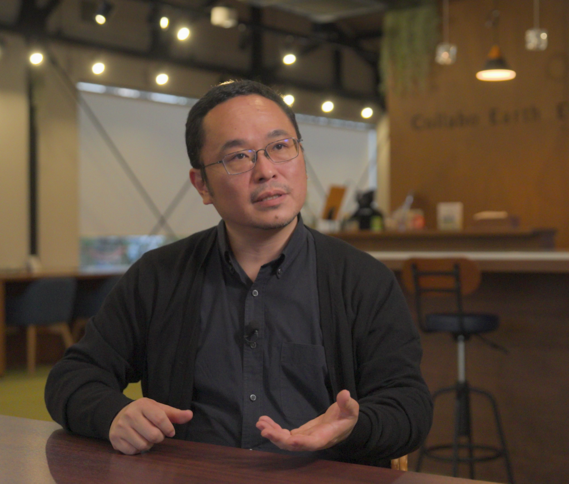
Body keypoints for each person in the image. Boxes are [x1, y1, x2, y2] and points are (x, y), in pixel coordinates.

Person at [45, 80, 432, 467]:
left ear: (301, 155)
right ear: (202, 185)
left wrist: (353, 427)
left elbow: (408, 405)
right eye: (239, 157)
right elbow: (73, 377)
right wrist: (113, 414)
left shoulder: (363, 280)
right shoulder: (158, 276)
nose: (266, 171)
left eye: (280, 147)